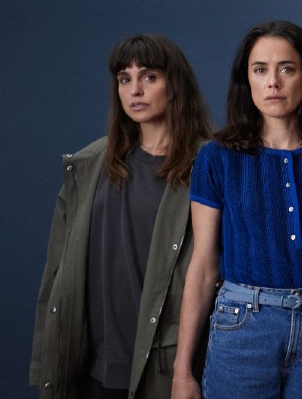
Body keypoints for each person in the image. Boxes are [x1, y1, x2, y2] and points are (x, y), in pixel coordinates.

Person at [30, 34, 213, 399]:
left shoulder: (208, 163)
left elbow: (216, 266)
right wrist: (46, 359)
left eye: (149, 77)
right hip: (94, 367)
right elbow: (57, 272)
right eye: (124, 79)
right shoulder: (90, 164)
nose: (135, 90)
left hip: (166, 365)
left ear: (175, 84)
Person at [171, 21, 302, 399]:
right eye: (260, 70)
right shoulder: (217, 157)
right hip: (244, 324)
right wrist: (182, 371)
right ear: (246, 80)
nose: (272, 82)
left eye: (286, 69)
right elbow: (204, 265)